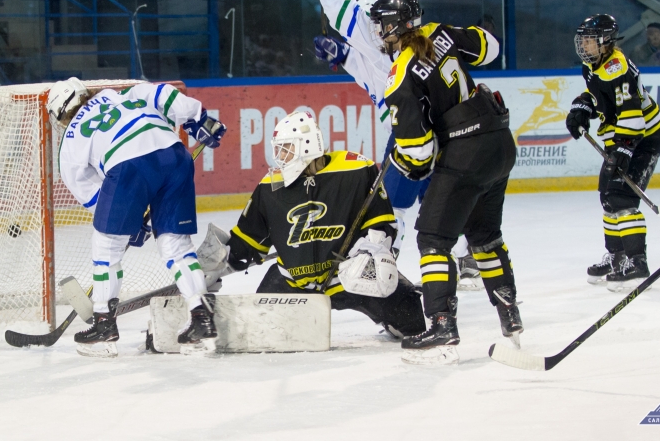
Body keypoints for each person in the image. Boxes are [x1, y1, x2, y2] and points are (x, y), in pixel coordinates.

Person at [293, 0, 482, 290]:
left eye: (379, 25)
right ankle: (467, 255)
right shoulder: (395, 50)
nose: (375, 30)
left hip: (415, 133)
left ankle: (381, 269)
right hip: (431, 130)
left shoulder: (377, 37)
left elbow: (345, 17)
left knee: (391, 205)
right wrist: (342, 55)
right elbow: (370, 72)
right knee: (432, 199)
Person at [370, 0, 522, 362]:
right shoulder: (441, 33)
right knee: (485, 236)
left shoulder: (400, 73)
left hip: (466, 151)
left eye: (381, 26)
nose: (378, 33)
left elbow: (420, 154)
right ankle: (510, 313)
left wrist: (402, 165)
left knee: (433, 238)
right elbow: (490, 48)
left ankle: (441, 324)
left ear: (394, 26)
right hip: (499, 143)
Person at [46, 78, 227, 357]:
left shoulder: (71, 137)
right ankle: (201, 317)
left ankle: (104, 326)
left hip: (129, 168)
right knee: (176, 246)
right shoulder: (123, 95)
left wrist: (127, 221)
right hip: (175, 156)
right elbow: (164, 94)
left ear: (60, 114)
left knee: (106, 247)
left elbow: (92, 193)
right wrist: (196, 118)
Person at [212, 111, 426, 338]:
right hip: (292, 283)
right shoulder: (270, 187)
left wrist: (371, 250)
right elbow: (246, 241)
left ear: (307, 146)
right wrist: (213, 264)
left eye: (287, 148)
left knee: (414, 325)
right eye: (279, 150)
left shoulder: (355, 170)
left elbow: (381, 222)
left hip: (350, 278)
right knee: (259, 333)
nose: (280, 157)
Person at [566, 14, 660, 291]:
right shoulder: (593, 66)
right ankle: (617, 258)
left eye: (589, 41)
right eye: (584, 40)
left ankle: (638, 262)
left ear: (605, 42)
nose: (584, 45)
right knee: (607, 196)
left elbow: (632, 112)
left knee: (621, 197)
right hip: (623, 138)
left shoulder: (618, 68)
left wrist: (623, 150)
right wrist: (582, 106)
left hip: (644, 139)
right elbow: (600, 96)